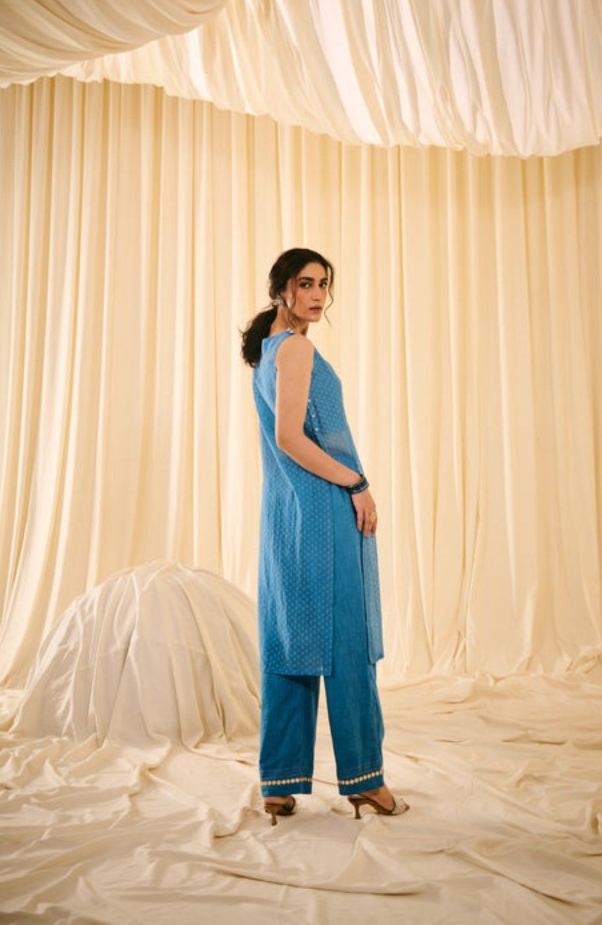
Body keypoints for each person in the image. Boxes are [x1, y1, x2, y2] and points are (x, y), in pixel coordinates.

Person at [239, 247, 409, 825]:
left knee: (290, 641)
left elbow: (281, 440)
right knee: (347, 644)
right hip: (324, 512)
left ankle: (279, 783)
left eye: (324, 285)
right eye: (306, 283)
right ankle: (366, 781)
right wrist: (356, 481)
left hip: (285, 516)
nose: (317, 295)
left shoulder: (270, 352)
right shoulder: (296, 348)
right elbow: (290, 437)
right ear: (281, 290)